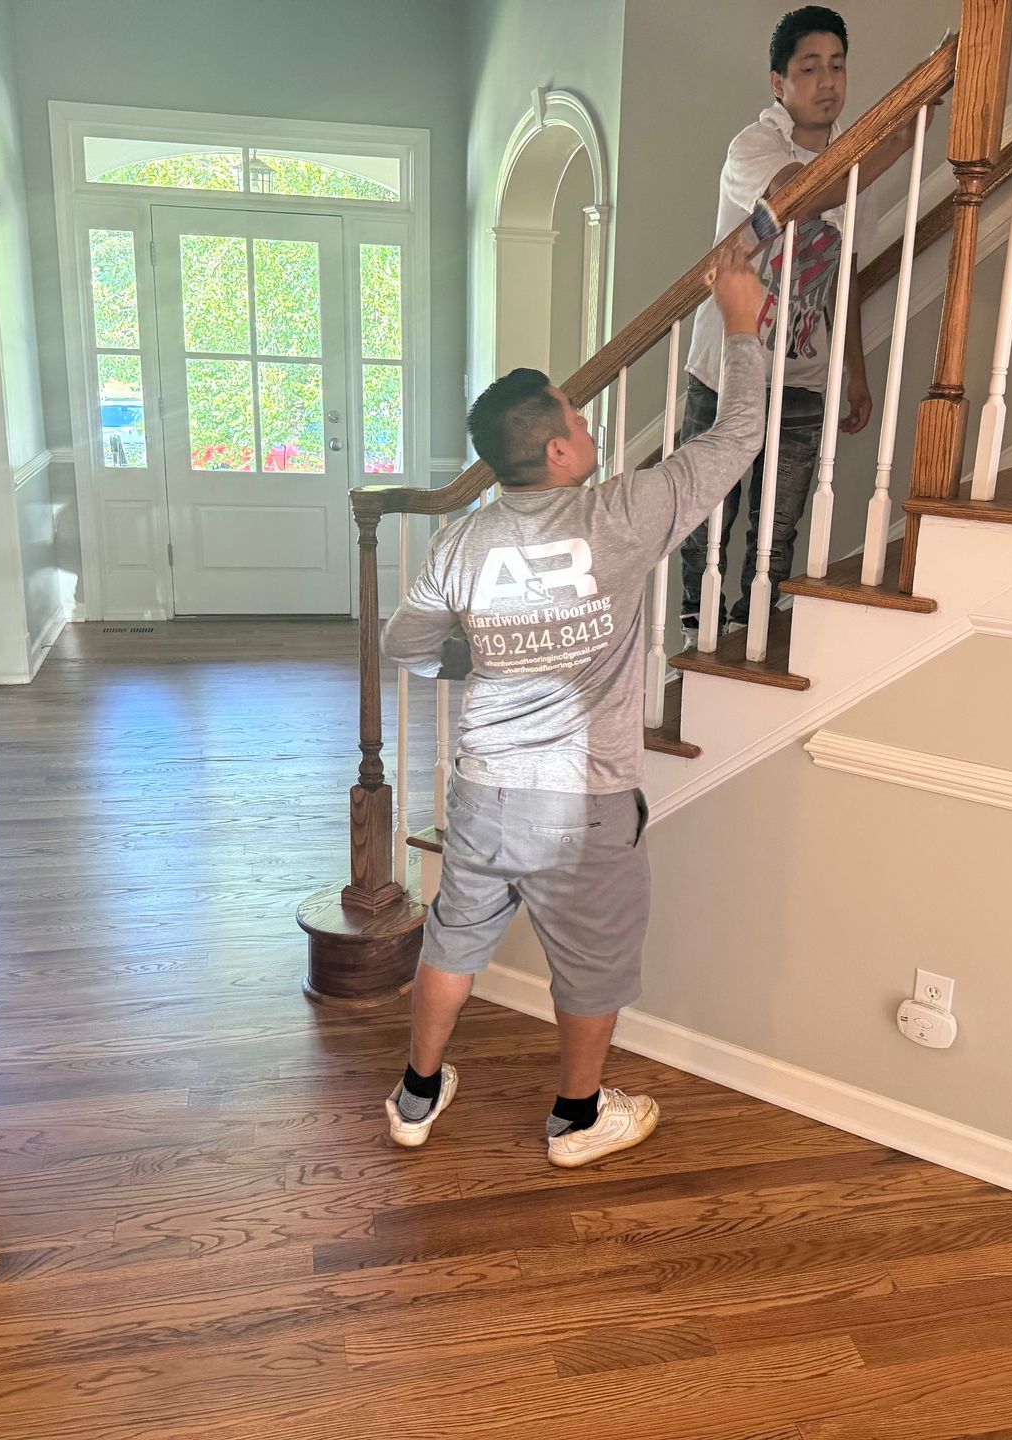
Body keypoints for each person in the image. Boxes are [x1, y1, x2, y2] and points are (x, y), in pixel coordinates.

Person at [378, 243, 771, 1169]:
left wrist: (475, 659)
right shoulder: (621, 516)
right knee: (590, 964)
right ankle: (577, 1118)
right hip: (585, 804)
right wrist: (743, 326)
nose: (588, 424)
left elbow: (405, 646)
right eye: (578, 416)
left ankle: (416, 1095)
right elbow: (738, 438)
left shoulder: (462, 543)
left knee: (454, 941)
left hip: (482, 790)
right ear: (556, 450)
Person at [679, 4, 921, 631]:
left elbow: (845, 272)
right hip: (726, 371)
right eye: (810, 68)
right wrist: (896, 139)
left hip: (803, 377)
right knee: (707, 514)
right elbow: (801, 193)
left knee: (778, 527)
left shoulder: (854, 158)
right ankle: (691, 640)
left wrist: (855, 372)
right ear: (778, 82)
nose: (828, 82)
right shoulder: (754, 146)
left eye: (837, 66)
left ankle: (750, 630)